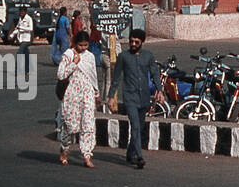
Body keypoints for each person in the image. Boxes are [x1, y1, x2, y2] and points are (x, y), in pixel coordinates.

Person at [107, 29, 161, 170]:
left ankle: (130, 153)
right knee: (135, 126)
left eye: (136, 42)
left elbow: (155, 73)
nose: (133, 44)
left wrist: (159, 91)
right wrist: (111, 96)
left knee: (140, 128)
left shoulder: (148, 56)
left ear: (142, 42)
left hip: (144, 98)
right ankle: (139, 156)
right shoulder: (123, 57)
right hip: (130, 97)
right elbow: (116, 78)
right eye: (131, 41)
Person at [57, 30, 99, 168]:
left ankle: (87, 155)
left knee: (88, 124)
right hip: (72, 94)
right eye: (80, 45)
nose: (83, 48)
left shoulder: (90, 57)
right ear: (75, 44)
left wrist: (96, 92)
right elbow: (61, 74)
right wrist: (74, 64)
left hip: (87, 93)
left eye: (85, 45)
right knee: (69, 124)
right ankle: (64, 150)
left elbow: (93, 75)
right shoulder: (68, 55)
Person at [15, 7, 34, 77]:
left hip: (26, 39)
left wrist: (22, 28)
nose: (21, 13)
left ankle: (18, 71)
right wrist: (12, 35)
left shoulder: (29, 19)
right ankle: (27, 70)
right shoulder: (20, 19)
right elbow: (17, 28)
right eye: (20, 12)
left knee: (19, 53)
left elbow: (31, 29)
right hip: (21, 39)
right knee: (26, 55)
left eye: (22, 12)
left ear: (25, 12)